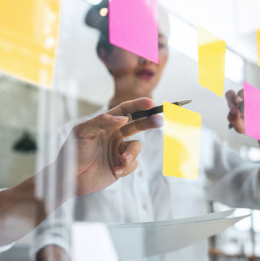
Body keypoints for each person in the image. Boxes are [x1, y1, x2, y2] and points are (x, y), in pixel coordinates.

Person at [31, 2, 260, 261]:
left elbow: (253, 190)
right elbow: (51, 234)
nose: (148, 55)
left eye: (158, 44)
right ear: (105, 54)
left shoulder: (188, 135)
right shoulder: (73, 140)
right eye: (134, 43)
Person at [0, 98, 163, 250]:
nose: (150, 64)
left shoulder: (172, 143)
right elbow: (50, 235)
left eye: (157, 63)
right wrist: (62, 181)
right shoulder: (70, 133)